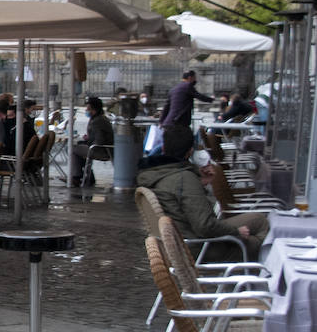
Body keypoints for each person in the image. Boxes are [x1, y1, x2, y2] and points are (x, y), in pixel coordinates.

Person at [137, 123, 267, 262]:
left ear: (163, 148)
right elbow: (205, 225)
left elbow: (183, 203)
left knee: (259, 220)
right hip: (196, 247)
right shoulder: (184, 179)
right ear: (190, 152)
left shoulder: (156, 174)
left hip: (179, 240)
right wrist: (236, 232)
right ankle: (256, 275)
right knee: (259, 240)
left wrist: (201, 181)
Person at [71, 96, 113, 187]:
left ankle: (76, 177)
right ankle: (86, 176)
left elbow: (99, 140)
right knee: (78, 148)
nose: (86, 110)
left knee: (73, 149)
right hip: (105, 149)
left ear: (93, 109)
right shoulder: (100, 118)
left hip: (101, 150)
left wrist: (88, 141)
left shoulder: (97, 121)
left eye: (88, 108)